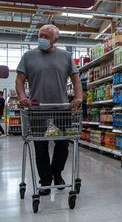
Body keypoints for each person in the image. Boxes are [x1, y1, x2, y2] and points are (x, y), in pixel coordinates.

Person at [15, 24, 82, 196]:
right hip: (37, 108)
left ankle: (57, 174)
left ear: (55, 39)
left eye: (46, 36)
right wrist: (22, 97)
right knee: (40, 146)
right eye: (40, 35)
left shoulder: (66, 56)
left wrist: (78, 97)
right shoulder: (28, 56)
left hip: (61, 107)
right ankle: (45, 180)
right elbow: (19, 80)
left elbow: (76, 80)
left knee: (62, 144)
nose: (42, 39)